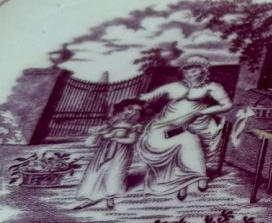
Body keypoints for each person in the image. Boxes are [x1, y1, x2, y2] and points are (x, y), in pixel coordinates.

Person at [137, 55, 232, 200]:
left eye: (194, 71)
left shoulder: (212, 87)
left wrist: (203, 112)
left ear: (203, 70)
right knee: (174, 147)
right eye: (187, 71)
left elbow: (227, 105)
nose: (189, 74)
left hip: (197, 120)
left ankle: (199, 177)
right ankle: (182, 183)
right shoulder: (178, 85)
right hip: (169, 119)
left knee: (191, 146)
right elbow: (153, 94)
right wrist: (143, 100)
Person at [71, 100, 145, 210]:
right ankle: (90, 198)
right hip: (104, 150)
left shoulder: (136, 126)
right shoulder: (113, 121)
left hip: (121, 151)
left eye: (137, 111)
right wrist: (99, 134)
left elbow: (131, 140)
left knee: (114, 173)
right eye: (130, 109)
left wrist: (113, 137)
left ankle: (110, 198)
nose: (132, 112)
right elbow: (102, 132)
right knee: (96, 172)